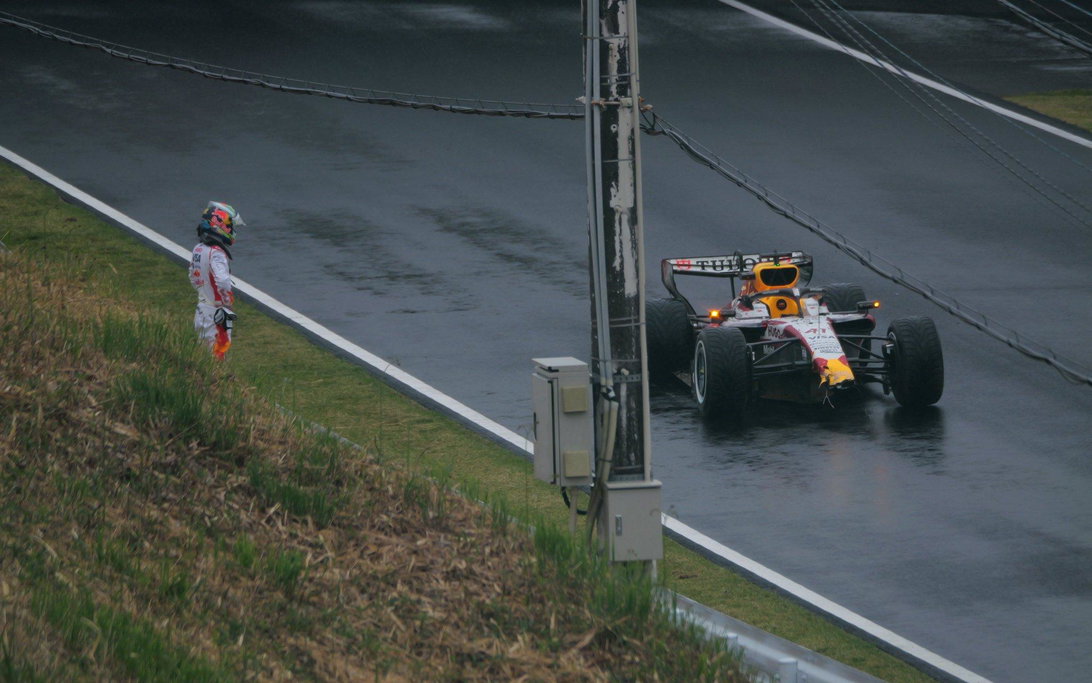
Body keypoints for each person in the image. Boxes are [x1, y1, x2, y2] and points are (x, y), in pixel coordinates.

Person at [189, 201, 244, 359]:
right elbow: (223, 281)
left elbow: (192, 275)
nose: (232, 230)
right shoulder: (217, 252)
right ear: (220, 224)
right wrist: (227, 302)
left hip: (201, 308)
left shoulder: (198, 249)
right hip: (216, 312)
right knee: (217, 357)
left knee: (204, 355)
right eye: (230, 225)